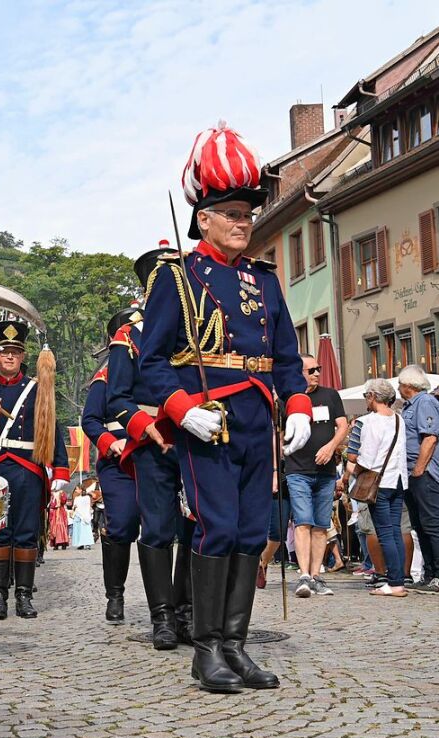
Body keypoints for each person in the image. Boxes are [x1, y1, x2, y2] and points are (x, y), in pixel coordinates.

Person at [140, 123, 311, 693]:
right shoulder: (178, 277)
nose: (243, 221)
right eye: (231, 212)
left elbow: (286, 356)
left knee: (249, 533)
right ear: (203, 218)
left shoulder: (264, 281)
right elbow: (153, 360)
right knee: (214, 530)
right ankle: (206, 649)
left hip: (259, 419)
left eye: (247, 213)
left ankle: (236, 646)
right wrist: (182, 406)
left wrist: (300, 406)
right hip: (208, 420)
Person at [107, 245, 196, 651]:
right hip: (155, 439)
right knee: (159, 528)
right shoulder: (129, 336)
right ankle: (162, 615)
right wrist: (143, 426)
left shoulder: (203, 324)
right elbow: (117, 399)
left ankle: (188, 610)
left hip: (199, 438)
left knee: (198, 527)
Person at [0, 320, 69, 620]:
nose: (9, 357)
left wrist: (61, 470)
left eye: (15, 351)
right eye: (3, 352)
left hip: (28, 469)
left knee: (26, 533)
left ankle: (23, 595)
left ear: (23, 356)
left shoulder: (37, 389)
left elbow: (51, 428)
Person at [82, 309, 142, 624]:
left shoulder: (152, 370)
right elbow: (90, 419)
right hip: (119, 461)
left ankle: (172, 604)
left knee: (165, 528)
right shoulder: (104, 377)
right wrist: (108, 442)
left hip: (153, 454)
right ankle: (115, 594)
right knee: (123, 524)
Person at [284, 355, 347, 598]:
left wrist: (331, 447)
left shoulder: (330, 395)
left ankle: (316, 576)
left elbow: (342, 426)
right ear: (298, 373)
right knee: (303, 522)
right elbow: (277, 430)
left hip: (326, 472)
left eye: (318, 369)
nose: (317, 374)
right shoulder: (288, 398)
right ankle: (303, 575)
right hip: (298, 469)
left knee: (321, 525)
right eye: (311, 370)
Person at [356, 379, 408, 597]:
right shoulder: (398, 419)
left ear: (373, 396)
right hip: (398, 479)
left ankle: (395, 582)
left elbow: (367, 458)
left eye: (366, 396)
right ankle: (399, 579)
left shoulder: (370, 422)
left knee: (385, 533)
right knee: (395, 530)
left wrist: (355, 470)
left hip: (379, 482)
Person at [398, 365, 439, 593]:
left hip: (425, 473)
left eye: (400, 384)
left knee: (432, 523)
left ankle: (438, 574)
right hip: (412, 474)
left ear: (409, 385)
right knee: (420, 525)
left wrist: (419, 470)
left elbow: (430, 438)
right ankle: (430, 573)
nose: (398, 388)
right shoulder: (408, 406)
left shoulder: (425, 403)